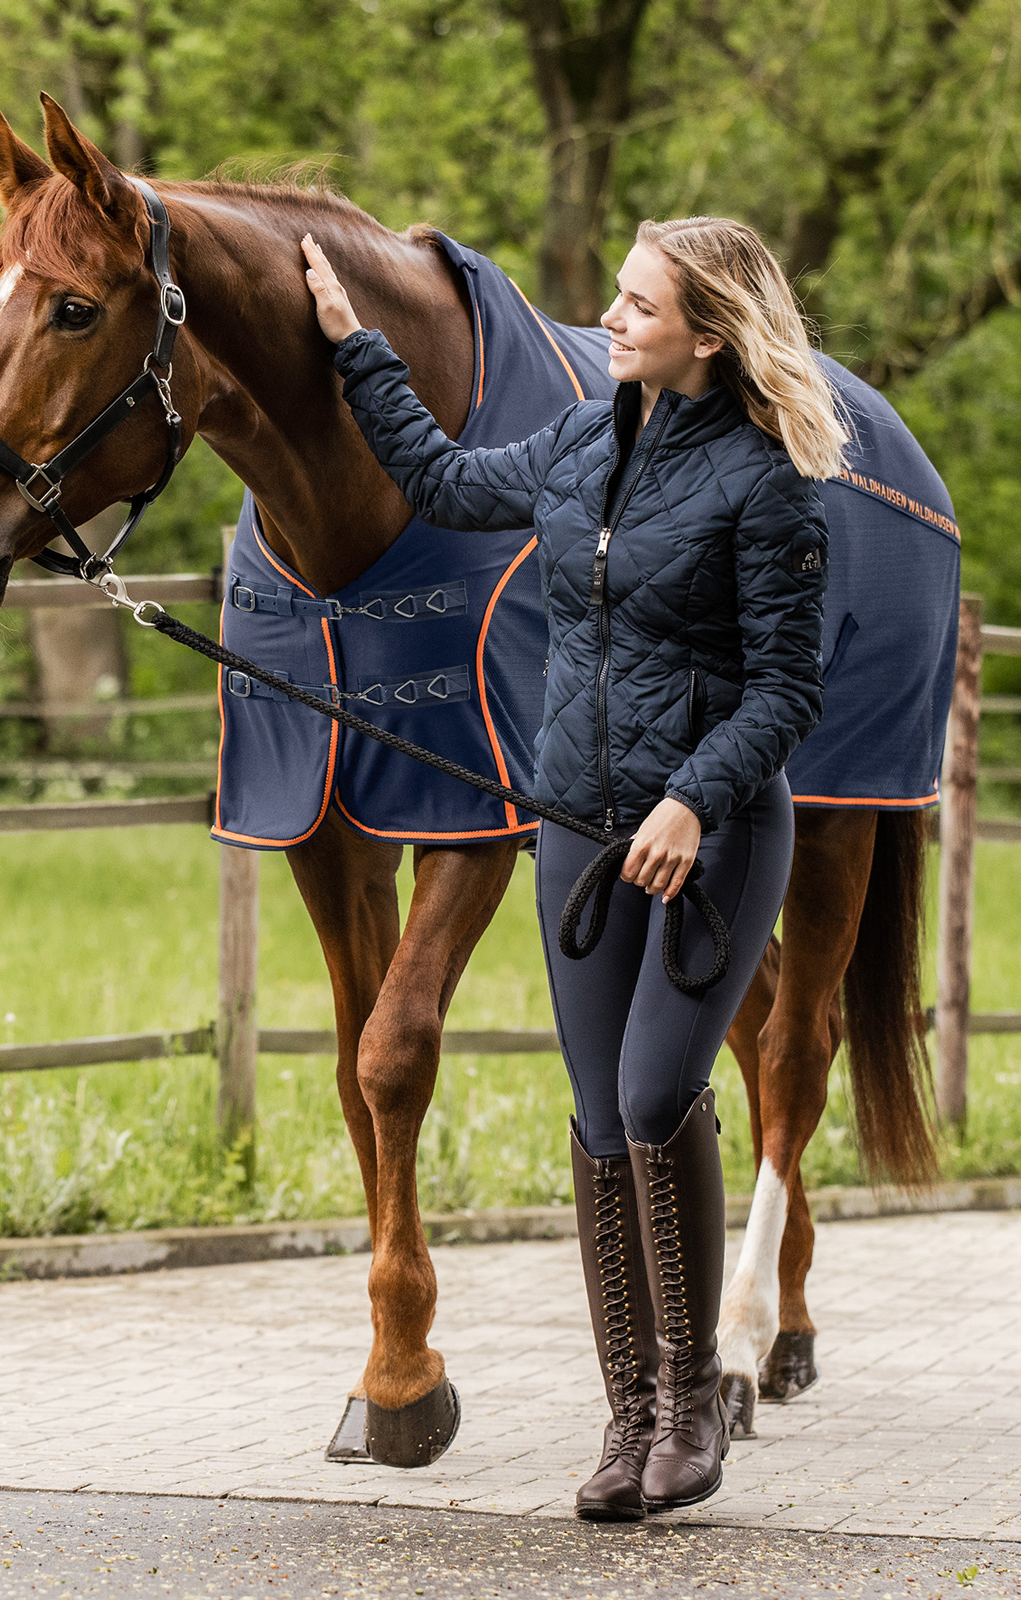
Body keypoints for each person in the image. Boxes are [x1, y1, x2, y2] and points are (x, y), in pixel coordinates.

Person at [301, 217, 842, 1520]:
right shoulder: (583, 442)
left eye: (638, 302)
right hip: (576, 833)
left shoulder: (764, 481)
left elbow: (785, 690)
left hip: (706, 838)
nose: (608, 313)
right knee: (600, 1125)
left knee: (660, 1094)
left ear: (706, 334)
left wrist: (692, 801)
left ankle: (696, 1400)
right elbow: (438, 480)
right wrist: (354, 345)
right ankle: (632, 1422)